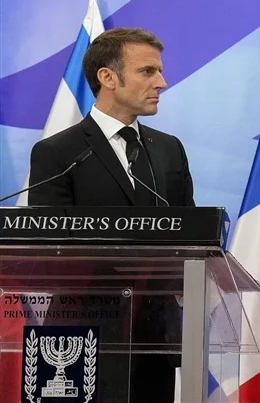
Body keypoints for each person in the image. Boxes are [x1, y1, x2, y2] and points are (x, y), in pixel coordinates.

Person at [28, 27, 194, 402]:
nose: (162, 82)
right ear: (108, 77)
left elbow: (192, 237)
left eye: (159, 71)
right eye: (147, 71)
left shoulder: (169, 150)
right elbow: (48, 250)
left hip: (153, 337)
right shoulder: (58, 152)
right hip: (78, 335)